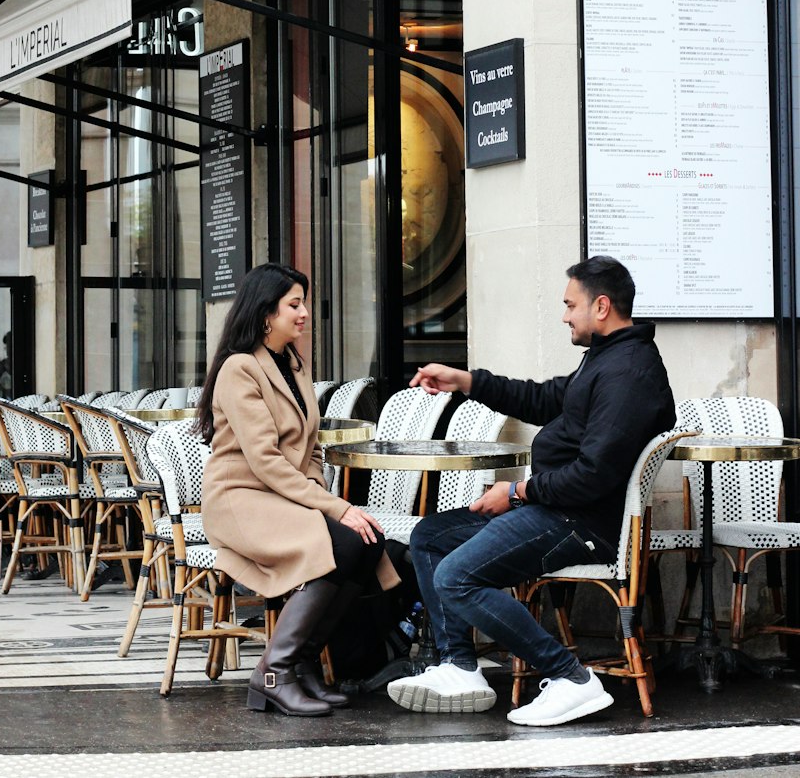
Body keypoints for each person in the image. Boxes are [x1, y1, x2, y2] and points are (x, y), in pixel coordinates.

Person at [387, 255, 675, 728]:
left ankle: (571, 679)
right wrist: (466, 381)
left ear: (601, 306)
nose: (564, 315)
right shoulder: (606, 358)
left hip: (579, 522)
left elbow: (593, 475)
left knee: (456, 577)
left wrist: (519, 491)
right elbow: (542, 399)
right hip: (555, 510)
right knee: (431, 537)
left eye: (570, 304)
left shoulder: (629, 373)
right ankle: (460, 667)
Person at [199, 262, 398, 717]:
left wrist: (330, 506)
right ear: (266, 313)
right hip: (241, 498)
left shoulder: (292, 363)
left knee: (365, 543)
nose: (305, 312)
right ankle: (273, 672)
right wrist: (335, 508)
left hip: (282, 495)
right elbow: (264, 460)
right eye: (295, 304)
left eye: (303, 302)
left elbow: (308, 451)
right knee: (342, 541)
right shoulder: (240, 369)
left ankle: (302, 663)